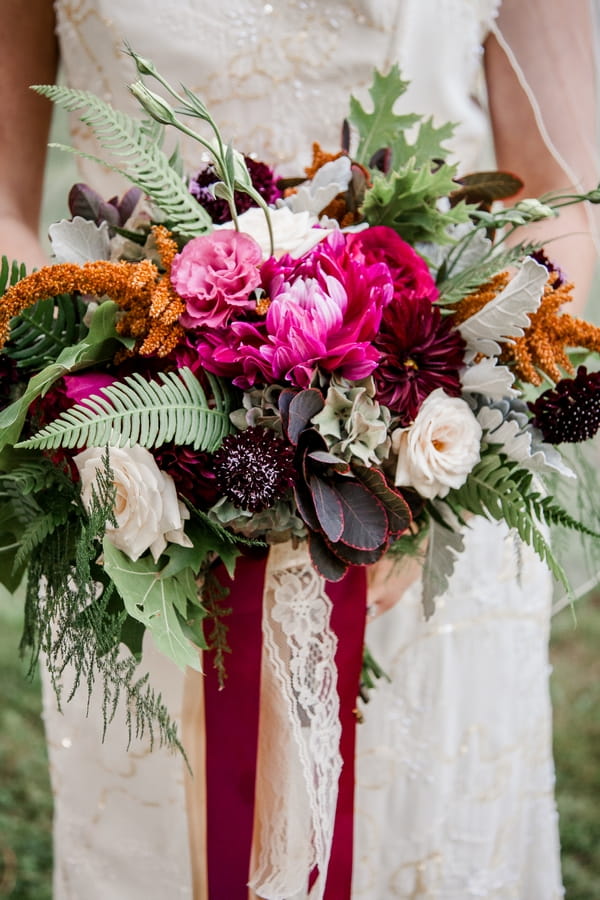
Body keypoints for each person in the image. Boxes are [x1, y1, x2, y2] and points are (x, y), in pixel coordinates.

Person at [0, 0, 597, 897]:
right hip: (136, 494)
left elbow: (557, 195)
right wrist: (127, 407)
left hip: (428, 476)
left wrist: (425, 437)